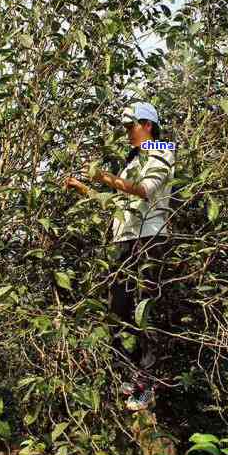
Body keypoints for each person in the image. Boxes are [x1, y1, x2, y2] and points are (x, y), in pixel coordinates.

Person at [63, 101, 175, 411]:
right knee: (118, 310)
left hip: (149, 239)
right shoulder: (131, 161)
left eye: (131, 127)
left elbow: (144, 190)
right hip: (125, 239)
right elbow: (114, 202)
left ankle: (147, 385)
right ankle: (129, 376)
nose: (127, 133)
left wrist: (102, 176)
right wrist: (84, 187)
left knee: (144, 311)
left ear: (147, 126)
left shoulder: (161, 151)